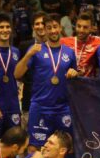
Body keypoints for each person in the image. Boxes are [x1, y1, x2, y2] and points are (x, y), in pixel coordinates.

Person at [14, 16, 78, 150]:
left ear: (60, 28)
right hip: (40, 107)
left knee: (67, 146)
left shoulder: (70, 53)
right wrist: (28, 55)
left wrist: (75, 73)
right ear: (45, 30)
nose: (53, 31)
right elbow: (17, 74)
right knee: (34, 147)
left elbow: (74, 78)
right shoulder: (36, 50)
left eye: (55, 27)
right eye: (49, 28)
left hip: (63, 108)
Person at [60, 12, 100, 77]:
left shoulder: (98, 42)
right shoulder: (64, 42)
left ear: (91, 28)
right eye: (79, 26)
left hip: (89, 84)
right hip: (68, 82)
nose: (81, 30)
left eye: (85, 27)